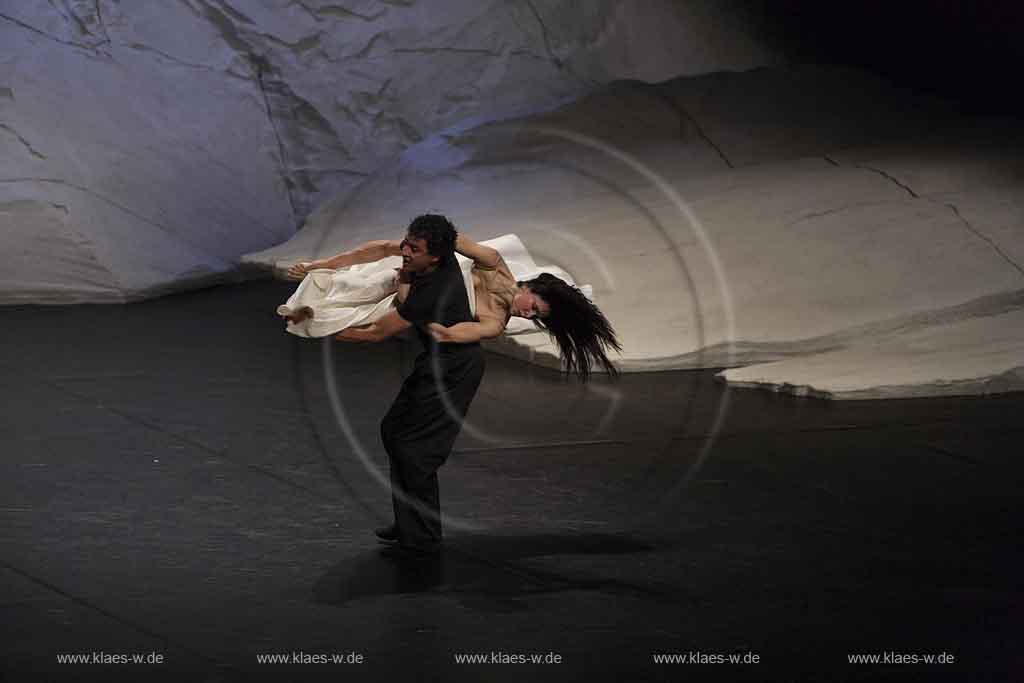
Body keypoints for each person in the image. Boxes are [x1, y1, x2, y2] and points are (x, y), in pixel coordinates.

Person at [331, 214, 486, 558]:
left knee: (415, 451)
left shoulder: (435, 289)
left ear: (435, 256)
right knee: (394, 431)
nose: (404, 251)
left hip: (455, 368)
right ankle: (409, 524)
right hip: (436, 361)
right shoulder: (425, 267)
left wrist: (321, 328)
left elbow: (375, 334)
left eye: (413, 248)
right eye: (406, 243)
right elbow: (390, 264)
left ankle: (422, 536)